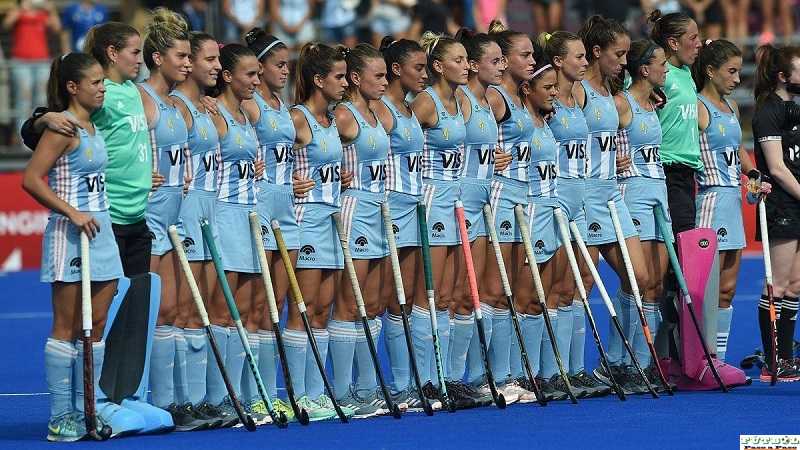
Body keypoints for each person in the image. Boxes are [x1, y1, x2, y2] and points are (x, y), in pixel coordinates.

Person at [22, 52, 125, 442]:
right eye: (96, 82)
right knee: (66, 327)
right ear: (72, 87)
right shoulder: (61, 129)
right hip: (71, 235)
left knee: (96, 327)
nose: (103, 88)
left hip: (103, 232)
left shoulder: (93, 126)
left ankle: (88, 407)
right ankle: (60, 414)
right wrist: (74, 213)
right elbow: (31, 180)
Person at [136, 9, 207, 429]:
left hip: (175, 218)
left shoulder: (175, 104)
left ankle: (178, 401)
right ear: (158, 57)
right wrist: (138, 172)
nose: (187, 62)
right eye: (181, 56)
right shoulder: (142, 98)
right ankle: (156, 401)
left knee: (179, 310)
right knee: (158, 312)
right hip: (148, 218)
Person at [577, 15, 649, 396]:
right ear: (596, 52)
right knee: (582, 285)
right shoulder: (576, 91)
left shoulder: (610, 91)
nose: (625, 61)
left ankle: (617, 362)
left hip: (612, 193)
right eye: (619, 54)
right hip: (584, 196)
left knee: (640, 278)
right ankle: (565, 370)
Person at [692, 40, 770, 364]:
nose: (738, 79)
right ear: (710, 71)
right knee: (706, 294)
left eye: (739, 71)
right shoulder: (697, 107)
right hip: (710, 201)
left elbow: (737, 151)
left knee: (727, 291)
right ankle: (702, 359)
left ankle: (718, 361)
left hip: (733, 202)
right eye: (732, 71)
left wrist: (752, 173)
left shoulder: (731, 107)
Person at [289, 42, 355, 421]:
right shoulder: (298, 119)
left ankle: (317, 392)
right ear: (318, 80)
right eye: (339, 76)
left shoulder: (332, 121)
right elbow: (269, 158)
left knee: (323, 310)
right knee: (304, 307)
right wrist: (287, 182)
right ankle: (299, 392)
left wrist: (339, 179)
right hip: (307, 219)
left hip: (332, 216)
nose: (345, 83)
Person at [329, 43, 393, 418]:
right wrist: (330, 178)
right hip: (354, 208)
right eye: (378, 75)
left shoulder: (375, 112)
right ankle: (341, 391)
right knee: (350, 303)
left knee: (373, 305)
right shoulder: (343, 115)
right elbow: (307, 152)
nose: (384, 82)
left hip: (378, 209)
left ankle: (367, 388)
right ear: (356, 78)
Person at [449, 28, 513, 407]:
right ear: (473, 65)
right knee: (457, 294)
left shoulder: (489, 100)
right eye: (496, 60)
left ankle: (477, 376)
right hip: (460, 201)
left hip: (486, 198)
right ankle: (449, 378)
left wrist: (494, 161)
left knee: (485, 293)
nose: (501, 66)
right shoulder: (459, 100)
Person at [243, 28, 302, 423]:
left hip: (288, 204)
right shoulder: (248, 106)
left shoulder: (282, 104)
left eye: (287, 66)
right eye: (278, 65)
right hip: (260, 203)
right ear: (258, 67)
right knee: (258, 305)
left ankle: (270, 391)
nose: (285, 72)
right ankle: (253, 393)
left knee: (278, 306)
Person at [477, 20, 537, 404]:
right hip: (499, 195)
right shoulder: (496, 97)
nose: (531, 60)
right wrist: (486, 161)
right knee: (494, 288)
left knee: (513, 290)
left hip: (523, 194)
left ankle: (506, 374)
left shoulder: (518, 96)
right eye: (523, 55)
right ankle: (487, 376)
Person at [170, 31, 227, 427]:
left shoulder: (206, 107)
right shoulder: (176, 107)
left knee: (206, 307)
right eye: (209, 60)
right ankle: (179, 402)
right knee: (185, 310)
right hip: (185, 213)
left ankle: (202, 399)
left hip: (211, 212)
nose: (216, 67)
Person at [374, 36, 431, 411]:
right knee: (387, 297)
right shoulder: (381, 111)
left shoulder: (411, 109)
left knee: (409, 299)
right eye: (419, 68)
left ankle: (412, 383)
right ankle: (389, 384)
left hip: (414, 206)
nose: (424, 76)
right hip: (389, 209)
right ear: (397, 70)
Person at [411, 31, 468, 404]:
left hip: (457, 199)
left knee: (448, 295)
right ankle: (423, 382)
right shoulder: (426, 102)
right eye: (459, 61)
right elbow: (399, 145)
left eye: (467, 60)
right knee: (428, 295)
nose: (466, 66)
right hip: (432, 198)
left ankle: (443, 377)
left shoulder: (461, 100)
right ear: (437, 66)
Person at [535, 30, 590, 398]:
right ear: (558, 60)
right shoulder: (549, 101)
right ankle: (549, 371)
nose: (585, 62)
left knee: (578, 285)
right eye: (579, 56)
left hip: (582, 198)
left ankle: (574, 369)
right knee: (554, 286)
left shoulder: (580, 96)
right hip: (554, 198)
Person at [615, 39, 671, 388]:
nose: (667, 69)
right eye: (662, 63)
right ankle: (624, 361)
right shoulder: (622, 104)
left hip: (658, 192)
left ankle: (644, 362)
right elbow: (598, 140)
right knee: (637, 281)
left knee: (656, 285)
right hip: (632, 192)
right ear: (644, 69)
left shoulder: (654, 102)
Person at [514, 57, 568, 401]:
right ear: (526, 89)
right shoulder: (520, 123)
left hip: (552, 209)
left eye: (554, 87)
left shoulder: (546, 121)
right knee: (525, 296)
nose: (554, 93)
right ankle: (519, 373)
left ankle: (538, 372)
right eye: (547, 88)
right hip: (531, 210)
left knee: (545, 298)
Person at [752, 44, 800, 382]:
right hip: (782, 204)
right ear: (783, 76)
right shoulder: (768, 110)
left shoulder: (792, 108)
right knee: (778, 286)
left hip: (796, 201)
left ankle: (786, 356)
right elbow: (778, 168)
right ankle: (773, 359)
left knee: (796, 285)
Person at [3, 0, 61, 135]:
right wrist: (21, 8)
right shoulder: (19, 9)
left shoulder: (43, 12)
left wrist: (51, 10)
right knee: (23, 98)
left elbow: (57, 27)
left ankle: (39, 133)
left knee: (41, 99)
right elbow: (7, 24)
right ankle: (22, 136)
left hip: (41, 61)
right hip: (21, 61)